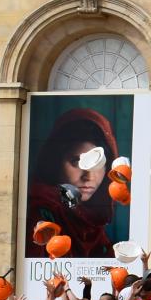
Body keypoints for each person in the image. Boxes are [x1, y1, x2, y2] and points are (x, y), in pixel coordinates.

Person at [26, 107, 122, 258]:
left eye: (97, 164)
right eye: (76, 162)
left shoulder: (93, 223)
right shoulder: (40, 212)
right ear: (55, 162)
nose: (88, 176)